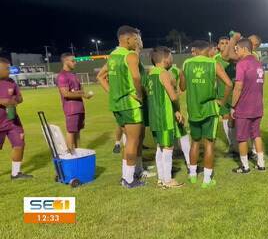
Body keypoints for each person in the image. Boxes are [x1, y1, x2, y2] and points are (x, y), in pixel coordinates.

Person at [180, 40, 233, 188]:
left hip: (193, 110)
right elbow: (229, 84)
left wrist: (186, 77)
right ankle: (207, 180)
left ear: (195, 50)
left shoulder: (186, 64)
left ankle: (192, 175)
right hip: (210, 109)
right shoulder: (212, 63)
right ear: (208, 50)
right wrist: (222, 102)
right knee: (209, 144)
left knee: (195, 142)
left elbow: (182, 87)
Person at [97, 25, 145, 188]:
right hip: (130, 106)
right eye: (136, 38)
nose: (137, 41)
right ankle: (129, 179)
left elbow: (100, 77)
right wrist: (139, 95)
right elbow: (137, 78)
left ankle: (128, 175)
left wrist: (113, 93)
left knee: (128, 141)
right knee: (133, 141)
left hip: (117, 105)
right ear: (127, 39)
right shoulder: (129, 55)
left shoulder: (112, 55)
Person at [147, 47, 184, 188]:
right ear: (166, 59)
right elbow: (173, 96)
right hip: (164, 116)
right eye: (171, 57)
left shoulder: (151, 73)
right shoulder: (164, 74)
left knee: (160, 147)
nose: (172, 60)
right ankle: (168, 181)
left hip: (154, 117)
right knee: (168, 147)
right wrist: (177, 92)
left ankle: (161, 178)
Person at [231, 39, 265, 173]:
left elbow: (238, 87)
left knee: (242, 137)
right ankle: (261, 163)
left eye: (237, 49)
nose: (236, 51)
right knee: (256, 134)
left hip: (244, 107)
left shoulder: (242, 64)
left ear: (244, 49)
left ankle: (245, 166)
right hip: (257, 105)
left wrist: (233, 106)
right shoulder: (258, 63)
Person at [0, 57, 32, 180]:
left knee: (19, 144)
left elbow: (20, 97)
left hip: (12, 120)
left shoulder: (11, 82)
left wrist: (15, 100)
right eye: (7, 68)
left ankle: (16, 173)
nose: (10, 70)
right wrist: (3, 101)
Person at [56, 53, 93, 153]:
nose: (75, 63)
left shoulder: (72, 75)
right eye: (73, 61)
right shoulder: (62, 76)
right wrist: (82, 93)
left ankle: (78, 152)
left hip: (79, 108)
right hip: (71, 109)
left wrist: (83, 94)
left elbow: (80, 90)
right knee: (71, 131)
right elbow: (65, 94)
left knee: (77, 131)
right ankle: (71, 154)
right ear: (65, 61)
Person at [214, 36, 238, 156]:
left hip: (236, 94)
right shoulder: (215, 59)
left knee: (237, 120)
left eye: (227, 43)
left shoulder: (234, 57)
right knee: (226, 119)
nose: (224, 45)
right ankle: (232, 145)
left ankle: (241, 145)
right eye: (222, 43)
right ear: (218, 46)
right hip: (222, 95)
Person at [169, 64, 191, 169]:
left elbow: (182, 87)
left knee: (166, 139)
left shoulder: (175, 70)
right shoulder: (163, 72)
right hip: (170, 107)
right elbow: (181, 89)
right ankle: (190, 164)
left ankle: (167, 170)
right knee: (182, 133)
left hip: (164, 109)